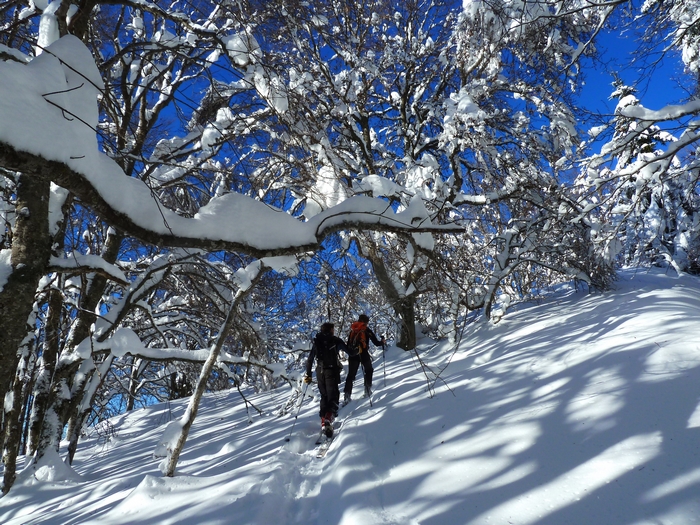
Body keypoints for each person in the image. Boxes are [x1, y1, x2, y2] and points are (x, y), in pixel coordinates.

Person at [304, 322, 348, 436]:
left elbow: (309, 360)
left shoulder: (317, 341)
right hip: (331, 371)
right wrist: (358, 351)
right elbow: (349, 351)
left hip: (319, 371)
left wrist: (308, 375)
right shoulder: (335, 340)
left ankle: (323, 422)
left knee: (324, 396)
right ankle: (328, 418)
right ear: (331, 330)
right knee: (333, 396)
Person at [343, 314, 385, 403]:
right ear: (366, 322)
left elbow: (348, 344)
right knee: (369, 370)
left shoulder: (353, 330)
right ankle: (367, 390)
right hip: (363, 354)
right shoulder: (366, 330)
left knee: (350, 375)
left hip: (353, 355)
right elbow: (376, 343)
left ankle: (347, 396)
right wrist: (382, 342)